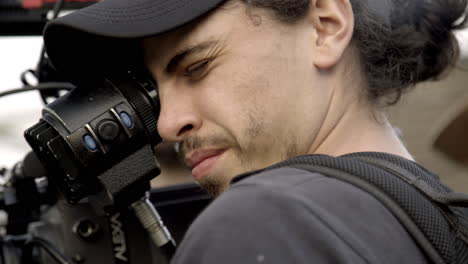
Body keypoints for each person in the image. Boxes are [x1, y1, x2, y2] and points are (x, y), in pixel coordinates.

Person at [43, 0, 468, 263]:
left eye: (197, 66)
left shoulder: (265, 219)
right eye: (154, 91)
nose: (169, 124)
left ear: (325, 26)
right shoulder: (433, 215)